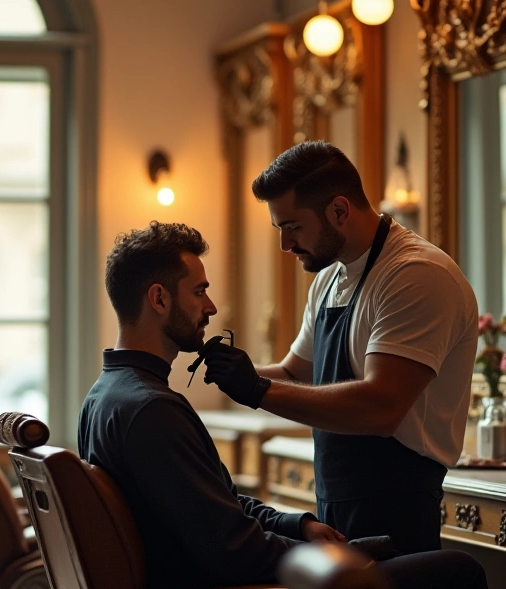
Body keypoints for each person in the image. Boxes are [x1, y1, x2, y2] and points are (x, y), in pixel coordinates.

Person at [78, 220, 506, 589]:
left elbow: (221, 507)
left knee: (396, 553)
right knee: (456, 571)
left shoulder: (108, 397)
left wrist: (300, 525)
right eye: (199, 291)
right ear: (158, 299)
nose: (210, 307)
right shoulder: (152, 409)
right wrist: (330, 564)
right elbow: (232, 549)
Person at [200, 141, 479, 555]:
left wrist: (256, 390)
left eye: (292, 227)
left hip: (397, 509)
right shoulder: (328, 281)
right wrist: (237, 371)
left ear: (339, 211)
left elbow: (381, 408)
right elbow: (297, 373)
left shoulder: (415, 274)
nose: (285, 245)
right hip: (333, 501)